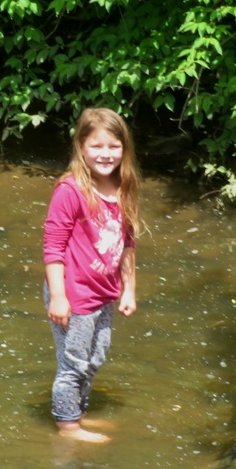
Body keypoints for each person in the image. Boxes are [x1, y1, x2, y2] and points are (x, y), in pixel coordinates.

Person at [43, 107, 142, 443]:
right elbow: (53, 248)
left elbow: (128, 243)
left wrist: (129, 289)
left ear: (124, 149)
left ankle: (79, 415)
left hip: (103, 291)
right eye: (97, 146)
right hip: (73, 293)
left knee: (95, 357)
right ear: (81, 147)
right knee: (73, 364)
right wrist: (58, 297)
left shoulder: (123, 186)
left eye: (114, 146)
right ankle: (68, 427)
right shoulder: (70, 191)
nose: (106, 154)